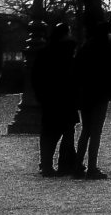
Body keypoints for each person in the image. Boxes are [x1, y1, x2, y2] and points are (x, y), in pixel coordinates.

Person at [33, 22, 78, 177]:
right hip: (66, 98)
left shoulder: (44, 52)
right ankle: (66, 164)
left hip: (50, 98)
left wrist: (41, 96)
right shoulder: (69, 52)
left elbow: (36, 77)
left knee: (49, 133)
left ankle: (46, 163)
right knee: (67, 131)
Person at [71, 21, 111, 180]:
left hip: (85, 94)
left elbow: (76, 71)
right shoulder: (106, 49)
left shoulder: (85, 47)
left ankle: (77, 166)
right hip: (99, 94)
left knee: (86, 130)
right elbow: (110, 73)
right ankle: (92, 167)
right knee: (96, 132)